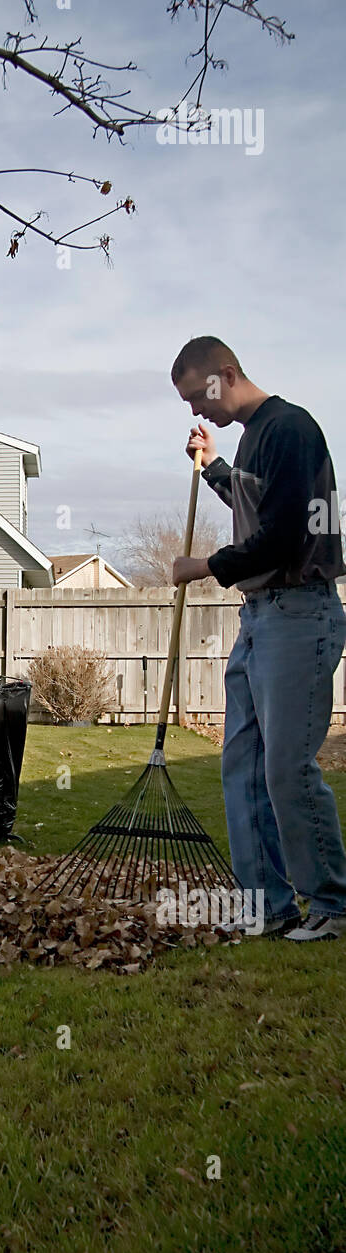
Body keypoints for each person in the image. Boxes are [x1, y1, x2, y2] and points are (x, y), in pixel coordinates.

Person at [170, 335, 346, 941]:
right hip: (261, 617)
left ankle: (330, 901)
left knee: (287, 770)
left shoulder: (290, 428)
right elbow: (257, 504)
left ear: (225, 374)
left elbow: (284, 536)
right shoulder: (254, 438)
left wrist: (205, 566)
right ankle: (267, 906)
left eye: (199, 397)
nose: (197, 410)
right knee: (242, 764)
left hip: (300, 613)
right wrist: (214, 465)